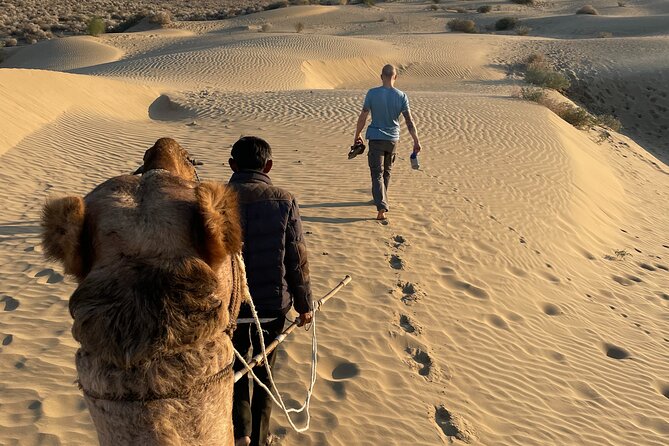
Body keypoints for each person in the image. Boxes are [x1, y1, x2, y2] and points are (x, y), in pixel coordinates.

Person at [227, 136, 313, 446]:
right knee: (264, 373)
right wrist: (305, 304)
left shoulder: (213, 200)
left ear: (233, 165)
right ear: (269, 166)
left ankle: (241, 434)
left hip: (229, 308)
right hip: (272, 306)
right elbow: (296, 259)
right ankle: (260, 439)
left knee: (234, 367)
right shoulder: (284, 200)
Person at [354, 64, 422, 221]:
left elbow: (363, 116)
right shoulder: (401, 96)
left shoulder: (372, 93)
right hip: (392, 140)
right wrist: (416, 140)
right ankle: (380, 198)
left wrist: (357, 135)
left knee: (376, 173)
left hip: (376, 138)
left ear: (381, 76)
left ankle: (381, 208)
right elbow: (409, 121)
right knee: (386, 171)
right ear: (395, 77)